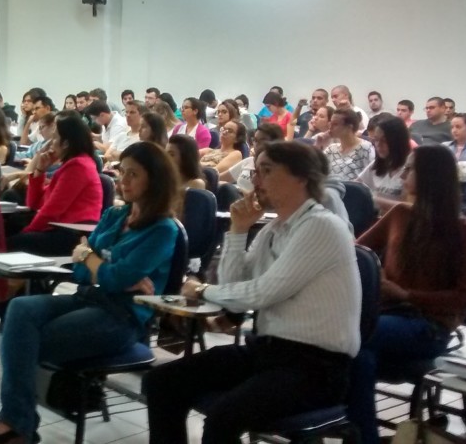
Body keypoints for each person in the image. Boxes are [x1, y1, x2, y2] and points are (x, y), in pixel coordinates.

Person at [146, 141, 360, 444]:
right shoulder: (274, 230)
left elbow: (261, 294)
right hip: (267, 352)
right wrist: (238, 230)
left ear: (302, 177)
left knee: (223, 416)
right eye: (255, 171)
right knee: (161, 382)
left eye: (267, 171)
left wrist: (203, 289)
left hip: (315, 369)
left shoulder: (323, 226)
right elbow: (236, 288)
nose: (255, 180)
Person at [0, 142, 180, 444]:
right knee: (19, 312)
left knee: (23, 339)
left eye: (133, 174)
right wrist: (98, 264)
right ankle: (17, 422)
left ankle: (16, 424)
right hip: (88, 298)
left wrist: (93, 258)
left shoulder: (163, 230)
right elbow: (80, 268)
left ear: (156, 180)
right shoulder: (114, 216)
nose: (124, 181)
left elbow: (109, 274)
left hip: (122, 317)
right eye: (122, 173)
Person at [349, 145, 466, 443]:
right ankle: (360, 435)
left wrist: (406, 294)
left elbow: (464, 298)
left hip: (428, 326)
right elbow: (357, 251)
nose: (404, 173)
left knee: (353, 335)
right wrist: (376, 272)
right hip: (386, 316)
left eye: (411, 168)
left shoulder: (465, 231)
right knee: (361, 357)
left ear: (431, 177)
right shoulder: (399, 214)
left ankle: (356, 433)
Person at [7, 111, 102, 257]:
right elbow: (34, 204)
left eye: (55, 137)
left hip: (72, 235)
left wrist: (28, 231)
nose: (51, 142)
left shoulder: (78, 167)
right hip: (58, 228)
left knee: (11, 243)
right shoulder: (69, 166)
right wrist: (40, 170)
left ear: (66, 143)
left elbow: (50, 212)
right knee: (7, 229)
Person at [358, 116, 411, 213]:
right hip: (376, 220)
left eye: (384, 140)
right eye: (376, 139)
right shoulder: (378, 164)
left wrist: (375, 200)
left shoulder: (410, 167)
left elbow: (412, 207)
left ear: (398, 141)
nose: (378, 145)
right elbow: (356, 185)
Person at [220, 123, 284, 192]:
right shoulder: (249, 161)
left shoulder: (280, 169)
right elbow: (219, 178)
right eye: (255, 140)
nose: (256, 145)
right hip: (238, 198)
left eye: (262, 141)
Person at [324, 109, 375, 181]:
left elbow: (372, 178)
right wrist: (318, 144)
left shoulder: (365, 148)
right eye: (330, 123)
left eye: (335, 124)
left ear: (349, 127)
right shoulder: (331, 149)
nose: (330, 127)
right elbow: (313, 169)